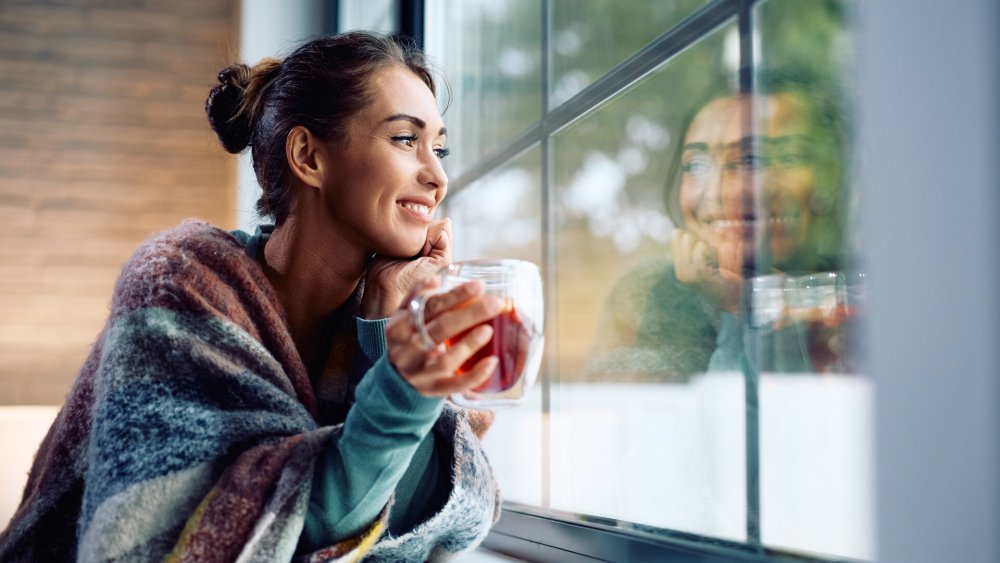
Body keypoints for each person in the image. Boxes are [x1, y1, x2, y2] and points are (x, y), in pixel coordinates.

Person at [0, 31, 503, 561]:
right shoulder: (179, 284)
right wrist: (403, 379)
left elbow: (397, 525)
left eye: (440, 148)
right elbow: (303, 521)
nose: (438, 176)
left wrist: (383, 322)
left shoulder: (379, 310)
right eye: (406, 140)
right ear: (308, 155)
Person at [585, 68, 854, 382]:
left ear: (831, 178)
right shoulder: (652, 294)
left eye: (754, 159)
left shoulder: (861, 294)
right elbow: (644, 420)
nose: (717, 192)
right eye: (696, 165)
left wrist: (758, 309)